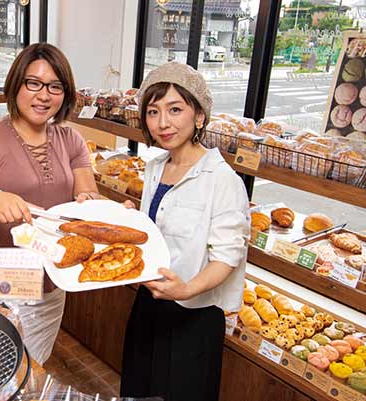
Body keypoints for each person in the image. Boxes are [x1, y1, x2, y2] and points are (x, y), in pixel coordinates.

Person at [0, 43, 100, 365]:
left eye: (55, 87)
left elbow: (88, 195)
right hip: (3, 280)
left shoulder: (71, 141)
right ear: (16, 84)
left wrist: (104, 210)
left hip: (53, 277)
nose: (44, 95)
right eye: (34, 83)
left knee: (32, 366)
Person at [119, 62, 250, 401]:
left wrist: (187, 289)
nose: (163, 123)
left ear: (199, 116)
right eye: (153, 111)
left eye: (175, 109)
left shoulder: (222, 180)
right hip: (150, 302)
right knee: (139, 388)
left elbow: (227, 257)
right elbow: (161, 231)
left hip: (193, 315)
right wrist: (134, 223)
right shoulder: (155, 167)